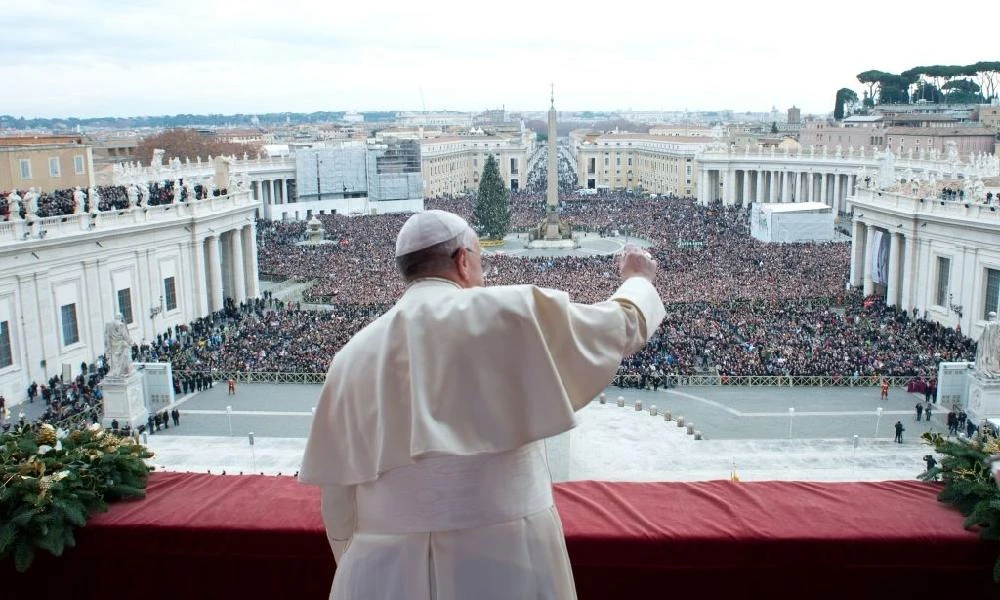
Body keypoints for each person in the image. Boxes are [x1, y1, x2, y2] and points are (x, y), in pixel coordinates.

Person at [299, 210, 665, 600]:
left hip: (383, 569)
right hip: (509, 560)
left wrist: (363, 564)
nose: (484, 275)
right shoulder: (511, 312)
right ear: (463, 261)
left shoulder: (350, 357)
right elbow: (620, 326)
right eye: (481, 263)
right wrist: (638, 279)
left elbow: (337, 498)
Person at [104, 314, 134, 378]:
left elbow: (107, 337)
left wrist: (107, 348)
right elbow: (125, 335)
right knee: (124, 357)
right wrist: (131, 342)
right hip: (120, 345)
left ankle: (115, 372)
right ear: (120, 317)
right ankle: (123, 371)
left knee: (115, 360)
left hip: (113, 345)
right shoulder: (121, 324)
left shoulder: (109, 324)